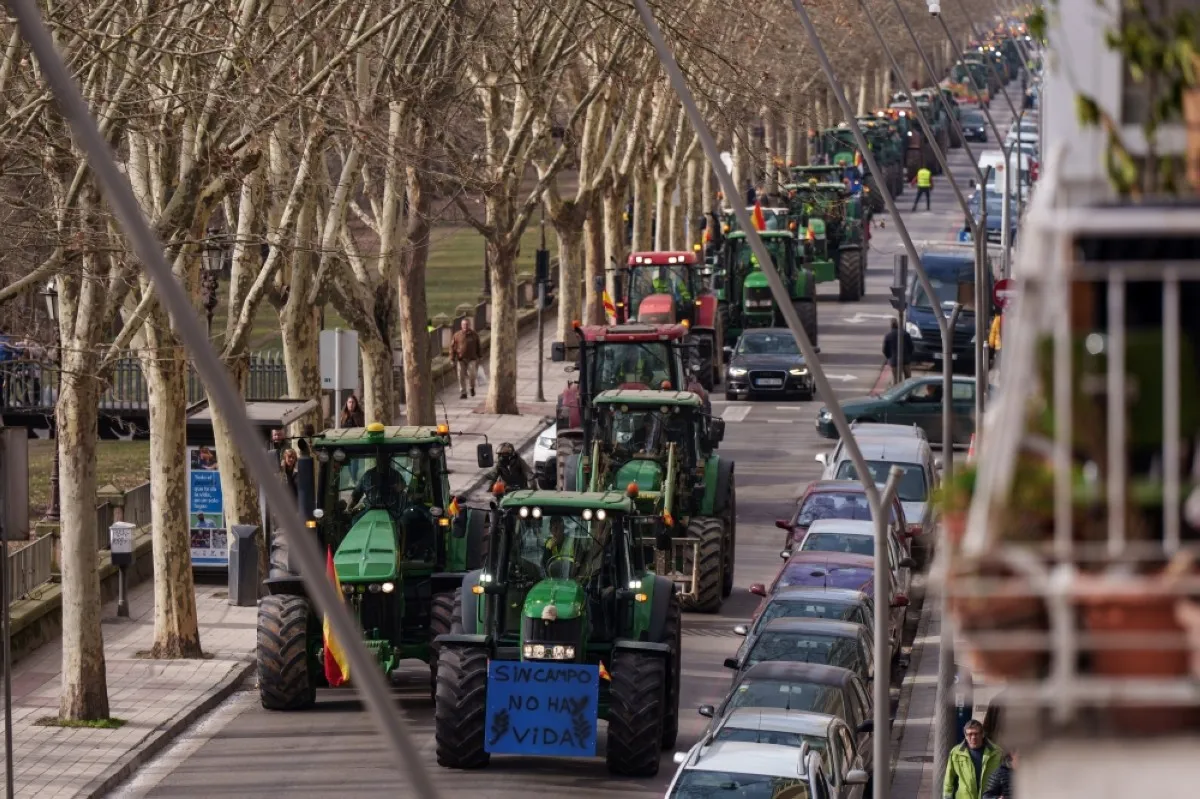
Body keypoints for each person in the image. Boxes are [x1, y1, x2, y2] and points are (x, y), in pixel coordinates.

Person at [943, 719, 1004, 799]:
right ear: (965, 736)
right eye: (970, 734)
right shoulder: (956, 753)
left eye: (976, 734)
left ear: (982, 734)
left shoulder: (997, 753)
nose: (973, 737)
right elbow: (948, 780)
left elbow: (1005, 777)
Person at [450, 318, 482, 400]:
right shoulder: (457, 335)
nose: (465, 326)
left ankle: (472, 387)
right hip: (461, 359)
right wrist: (452, 358)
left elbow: (479, 346)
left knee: (472, 374)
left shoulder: (474, 335)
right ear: (461, 325)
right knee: (460, 375)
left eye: (467, 324)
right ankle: (463, 392)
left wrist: (480, 356)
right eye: (464, 324)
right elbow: (452, 347)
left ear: (469, 325)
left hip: (472, 359)